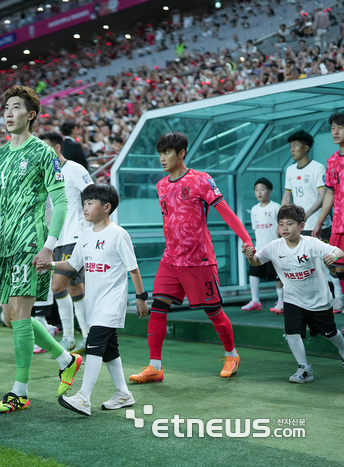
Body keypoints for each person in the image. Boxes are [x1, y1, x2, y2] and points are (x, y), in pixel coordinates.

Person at [0, 85, 81, 413]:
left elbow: (61, 202)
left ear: (31, 114)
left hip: (31, 243)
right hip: (6, 245)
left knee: (21, 318)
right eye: (6, 107)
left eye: (16, 107)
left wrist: (49, 247)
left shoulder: (43, 153)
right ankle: (66, 359)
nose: (9, 113)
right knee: (10, 318)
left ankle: (19, 392)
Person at [129, 131, 253, 384]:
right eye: (160, 154)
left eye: (167, 153)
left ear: (181, 153)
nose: (162, 159)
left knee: (214, 310)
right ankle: (155, 367)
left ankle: (231, 354)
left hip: (199, 261)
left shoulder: (201, 180)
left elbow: (226, 212)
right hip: (171, 260)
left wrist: (246, 239)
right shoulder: (161, 185)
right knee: (159, 309)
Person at [55, 184, 149, 415]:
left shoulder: (119, 234)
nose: (84, 208)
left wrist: (141, 298)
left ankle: (83, 398)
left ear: (106, 207)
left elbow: (133, 269)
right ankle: (123, 394)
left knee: (94, 345)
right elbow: (72, 265)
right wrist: (50, 264)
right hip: (92, 304)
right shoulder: (85, 236)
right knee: (109, 350)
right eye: (84, 203)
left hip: (111, 303)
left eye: (90, 203)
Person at [243, 205, 344, 383]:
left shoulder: (311, 243)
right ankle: (304, 367)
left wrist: (334, 257)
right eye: (281, 224)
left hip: (319, 301)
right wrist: (249, 256)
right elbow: (257, 261)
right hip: (293, 299)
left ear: (301, 226)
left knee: (330, 333)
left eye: (289, 224)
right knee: (292, 331)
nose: (284, 228)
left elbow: (339, 250)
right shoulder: (274, 247)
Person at [40, 131, 93, 352]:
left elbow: (93, 194)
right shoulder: (48, 175)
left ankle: (75, 336)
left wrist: (90, 230)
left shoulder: (75, 169)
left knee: (58, 286)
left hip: (75, 237)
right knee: (75, 288)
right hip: (59, 239)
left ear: (57, 148)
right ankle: (82, 336)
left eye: (44, 149)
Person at [282, 130, 340, 311]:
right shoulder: (290, 170)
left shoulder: (318, 168)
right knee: (304, 265)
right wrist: (283, 219)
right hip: (299, 227)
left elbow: (323, 195)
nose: (292, 150)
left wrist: (307, 214)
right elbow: (286, 196)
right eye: (290, 146)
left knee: (330, 263)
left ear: (306, 148)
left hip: (318, 224)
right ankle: (310, 302)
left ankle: (339, 297)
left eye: (295, 146)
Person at [314, 112, 344, 317]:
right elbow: (329, 195)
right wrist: (319, 222)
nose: (335, 131)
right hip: (338, 224)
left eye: (340, 127)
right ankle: (339, 301)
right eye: (333, 127)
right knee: (338, 268)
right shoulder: (332, 160)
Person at [242, 178, 283, 313]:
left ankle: (281, 301)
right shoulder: (254, 210)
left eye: (262, 189)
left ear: (270, 191)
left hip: (275, 248)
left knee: (278, 276)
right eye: (256, 190)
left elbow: (282, 226)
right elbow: (255, 229)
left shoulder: (276, 207)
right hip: (260, 248)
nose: (259, 192)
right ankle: (255, 301)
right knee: (253, 272)